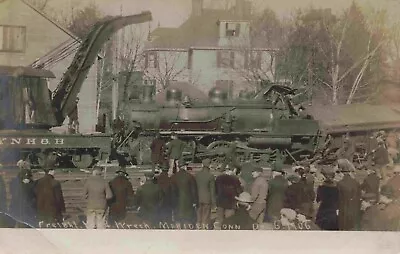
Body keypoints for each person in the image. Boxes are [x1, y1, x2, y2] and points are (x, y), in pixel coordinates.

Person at [170, 160, 198, 225]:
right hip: (188, 201)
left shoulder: (173, 177)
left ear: (179, 167)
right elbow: (193, 190)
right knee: (187, 220)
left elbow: (172, 191)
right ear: (185, 167)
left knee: (178, 220)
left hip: (177, 202)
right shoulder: (190, 176)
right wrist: (194, 201)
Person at [337, 159, 362, 230]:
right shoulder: (356, 182)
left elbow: (338, 197)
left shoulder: (340, 183)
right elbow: (359, 195)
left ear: (342, 173)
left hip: (344, 207)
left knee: (344, 225)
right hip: (354, 207)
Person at [194, 158, 216, 228]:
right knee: (206, 216)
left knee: (198, 214)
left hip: (198, 197)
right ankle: (204, 227)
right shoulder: (211, 176)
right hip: (207, 198)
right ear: (209, 165)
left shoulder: (197, 175)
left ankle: (198, 226)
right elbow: (212, 190)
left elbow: (195, 187)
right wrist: (213, 202)